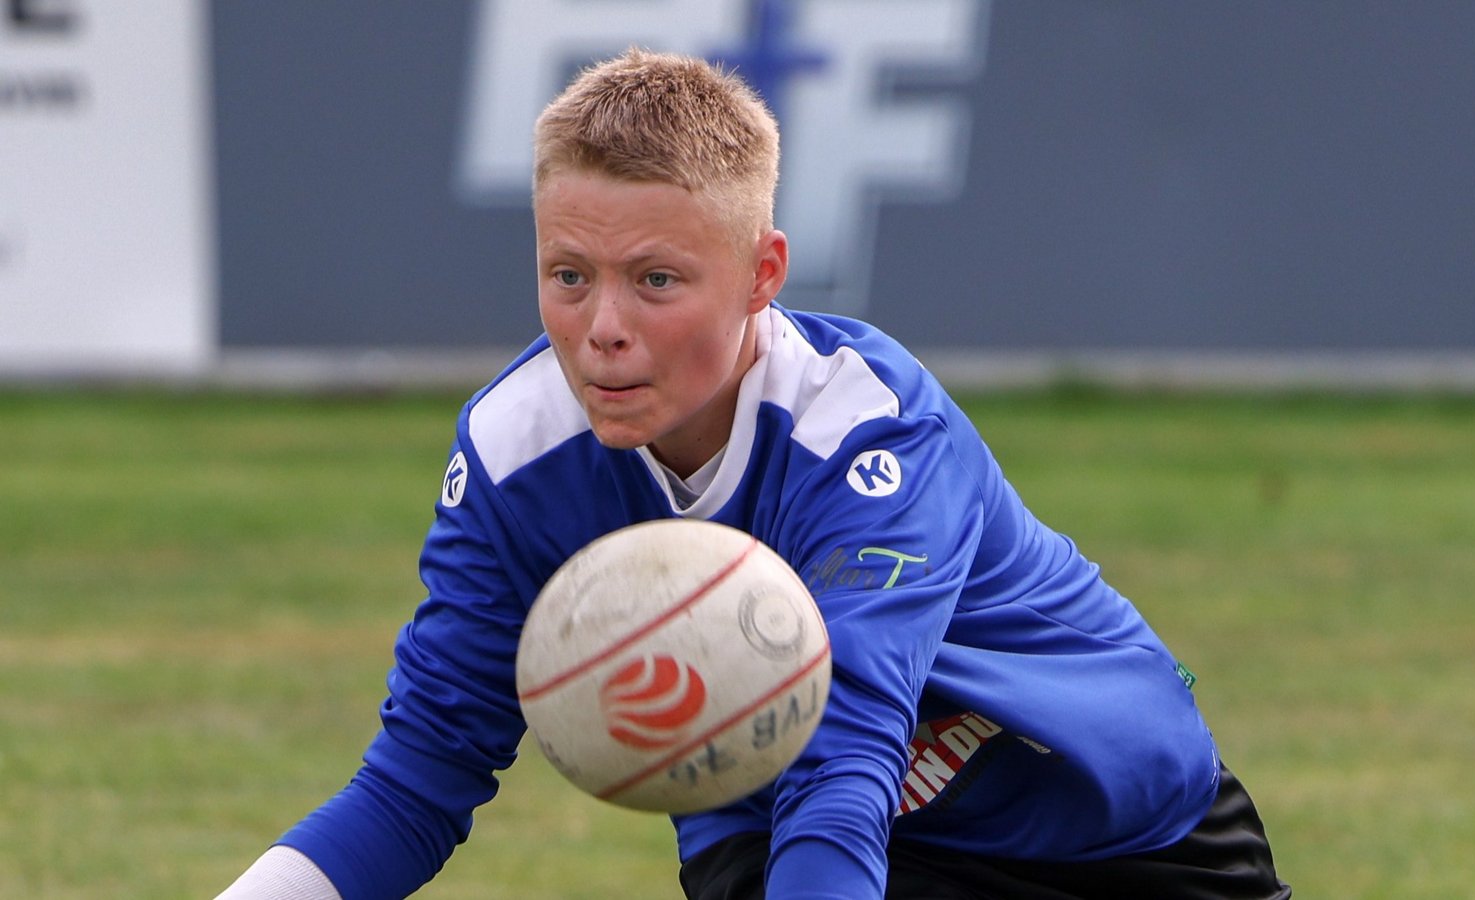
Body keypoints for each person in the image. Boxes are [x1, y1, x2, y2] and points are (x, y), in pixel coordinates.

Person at [218, 48, 1290, 900]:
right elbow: (417, 779)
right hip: (788, 841)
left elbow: (845, 755)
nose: (601, 328)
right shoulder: (514, 457)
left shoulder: (865, 428)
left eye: (656, 280)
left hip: (1112, 826)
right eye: (567, 275)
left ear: (762, 275)